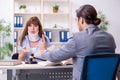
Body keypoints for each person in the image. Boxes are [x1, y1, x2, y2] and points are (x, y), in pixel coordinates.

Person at [37, 4, 116, 80]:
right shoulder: (110, 38)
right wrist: (78, 58)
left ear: (81, 20)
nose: (77, 23)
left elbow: (54, 57)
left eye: (76, 20)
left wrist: (43, 50)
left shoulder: (77, 38)